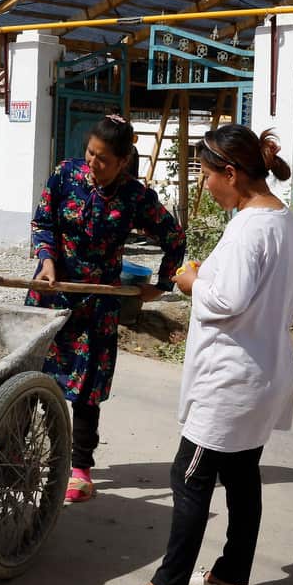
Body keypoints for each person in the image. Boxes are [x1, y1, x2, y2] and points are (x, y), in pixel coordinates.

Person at [106, 124, 293, 585]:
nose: (204, 185)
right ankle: (229, 578)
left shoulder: (250, 229)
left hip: (231, 380)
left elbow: (227, 299)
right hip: (261, 372)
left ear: (232, 174)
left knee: (188, 476)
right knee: (241, 475)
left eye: (206, 175)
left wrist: (193, 280)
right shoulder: (280, 218)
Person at [27, 114, 186, 503]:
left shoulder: (135, 197)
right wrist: (47, 260)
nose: (93, 164)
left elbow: (174, 237)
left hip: (99, 301)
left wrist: (160, 286)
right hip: (51, 293)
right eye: (90, 153)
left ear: (123, 162)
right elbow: (43, 223)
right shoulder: (65, 175)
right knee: (35, 373)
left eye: (103, 159)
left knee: (86, 386)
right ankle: (24, 450)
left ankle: (78, 467)